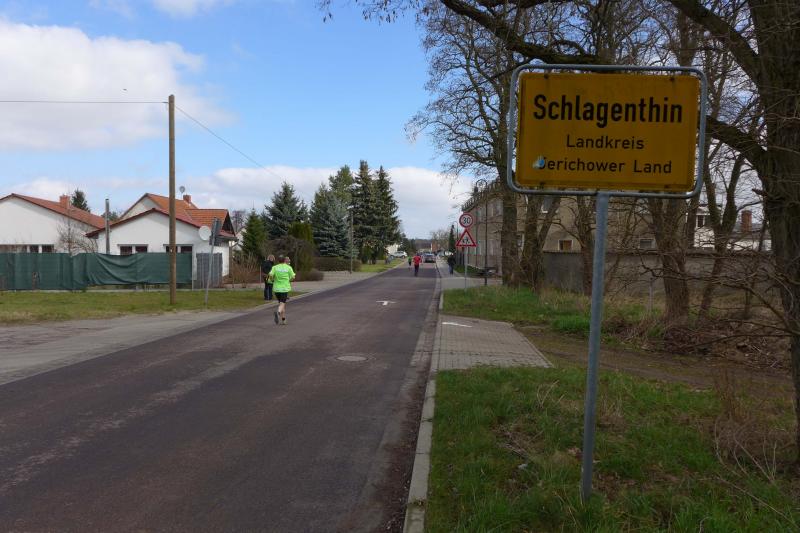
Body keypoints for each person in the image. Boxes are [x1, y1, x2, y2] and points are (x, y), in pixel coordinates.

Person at [268, 255, 296, 325]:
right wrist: (289, 280)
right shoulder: (288, 267)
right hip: (284, 288)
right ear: (284, 260)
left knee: (281, 304)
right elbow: (293, 277)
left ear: (278, 260)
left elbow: (270, 275)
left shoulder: (275, 267)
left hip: (276, 288)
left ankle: (283, 319)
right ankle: (278, 313)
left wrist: (272, 279)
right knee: (282, 303)